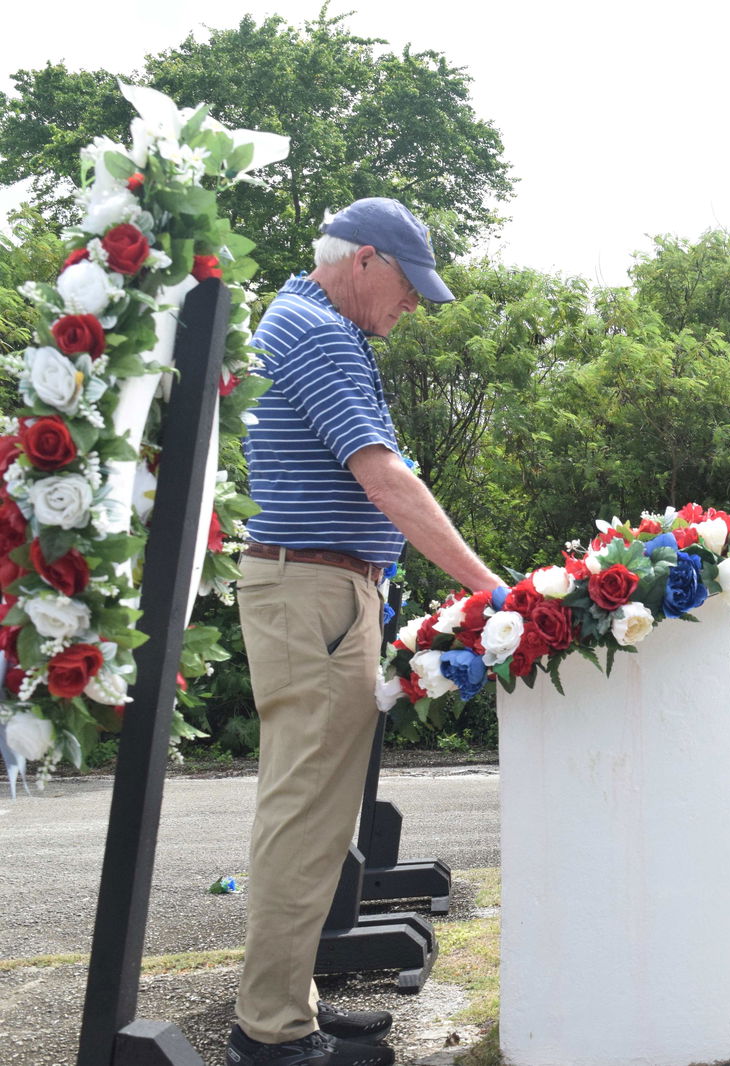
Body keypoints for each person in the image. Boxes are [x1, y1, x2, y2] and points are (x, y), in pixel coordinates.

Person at [227, 198, 501, 1066]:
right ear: (365, 263)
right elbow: (384, 480)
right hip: (312, 591)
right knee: (306, 812)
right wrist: (496, 590)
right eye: (409, 287)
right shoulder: (319, 332)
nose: (412, 307)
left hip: (314, 587)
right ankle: (271, 1032)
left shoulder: (303, 320)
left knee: (311, 810)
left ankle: (288, 1008)